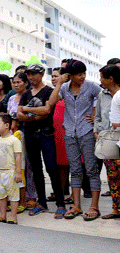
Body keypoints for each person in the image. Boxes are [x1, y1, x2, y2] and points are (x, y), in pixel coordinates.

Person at [49, 60, 102, 221]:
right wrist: (59, 83)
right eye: (79, 74)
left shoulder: (91, 86)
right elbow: (51, 102)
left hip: (87, 132)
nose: (83, 77)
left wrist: (95, 116)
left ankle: (94, 206)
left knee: (91, 169)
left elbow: (105, 98)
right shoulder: (64, 88)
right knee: (75, 169)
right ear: (70, 76)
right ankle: (76, 205)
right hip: (70, 133)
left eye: (84, 73)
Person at [17, 63, 66, 219]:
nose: (31, 77)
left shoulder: (49, 92)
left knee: (52, 169)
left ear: (42, 74)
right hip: (30, 134)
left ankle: (60, 204)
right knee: (36, 170)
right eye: (29, 74)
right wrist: (33, 114)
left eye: (34, 74)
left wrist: (27, 110)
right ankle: (42, 203)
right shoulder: (26, 94)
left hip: (46, 134)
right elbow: (18, 115)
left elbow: (46, 111)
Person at [8, 72, 38, 209]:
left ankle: (32, 196)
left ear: (26, 83)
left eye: (19, 82)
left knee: (29, 167)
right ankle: (17, 196)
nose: (16, 84)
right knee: (15, 166)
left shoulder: (30, 97)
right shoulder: (11, 98)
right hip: (13, 135)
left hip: (28, 133)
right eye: (14, 82)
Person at [95, 64, 120, 219]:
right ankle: (116, 209)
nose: (100, 80)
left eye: (102, 77)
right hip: (109, 141)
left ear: (110, 79)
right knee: (112, 177)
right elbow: (98, 116)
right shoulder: (102, 95)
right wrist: (97, 132)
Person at [0, 113, 23, 224]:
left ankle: (13, 217)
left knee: (13, 195)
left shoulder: (14, 140)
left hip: (10, 171)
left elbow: (18, 157)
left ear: (7, 125)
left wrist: (18, 172)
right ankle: (2, 215)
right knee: (1, 195)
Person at [49, 68, 71, 203]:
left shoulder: (68, 92)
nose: (53, 78)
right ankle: (59, 191)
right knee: (57, 164)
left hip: (65, 131)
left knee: (66, 164)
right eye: (52, 76)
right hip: (53, 132)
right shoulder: (50, 93)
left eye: (56, 76)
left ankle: (65, 192)